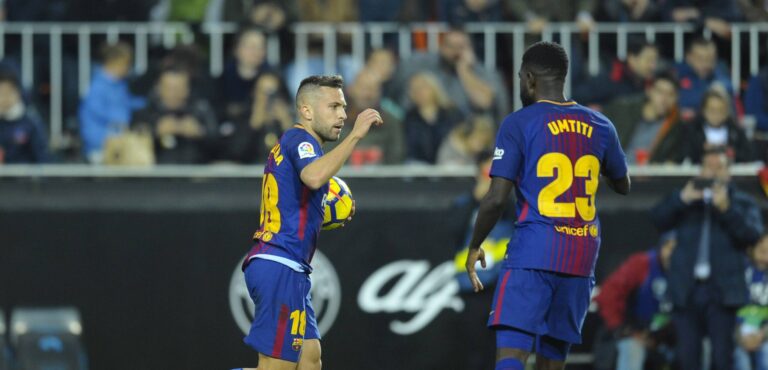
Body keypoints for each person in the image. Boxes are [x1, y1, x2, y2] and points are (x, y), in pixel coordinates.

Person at [464, 41, 631, 370]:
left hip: (534, 251)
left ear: (529, 78)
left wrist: (474, 245)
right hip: (581, 256)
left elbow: (496, 198)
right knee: (552, 363)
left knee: (512, 355)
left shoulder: (519, 123)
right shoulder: (601, 125)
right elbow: (623, 184)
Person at [239, 75, 382, 370]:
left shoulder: (301, 145)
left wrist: (321, 210)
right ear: (306, 110)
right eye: (333, 106)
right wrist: (355, 136)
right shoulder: (300, 139)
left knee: (309, 360)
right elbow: (314, 177)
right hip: (280, 262)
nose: (343, 115)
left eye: (344, 107)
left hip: (289, 266)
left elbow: (300, 192)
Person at [651, 147, 764, 370]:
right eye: (708, 167)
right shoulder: (686, 199)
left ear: (728, 172)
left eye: (718, 167)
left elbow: (753, 235)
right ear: (700, 170)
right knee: (686, 358)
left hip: (723, 291)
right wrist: (682, 199)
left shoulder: (742, 202)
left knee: (722, 358)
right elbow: (657, 219)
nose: (712, 173)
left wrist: (726, 208)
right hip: (686, 289)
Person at [593, 232, 677, 370]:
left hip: (668, 337)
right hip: (635, 331)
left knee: (695, 346)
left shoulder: (691, 273)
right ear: (661, 247)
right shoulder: (642, 264)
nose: (672, 254)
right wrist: (622, 329)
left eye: (678, 249)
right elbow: (608, 295)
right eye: (669, 248)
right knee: (632, 349)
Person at [131, 68, 217, 164]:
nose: (174, 93)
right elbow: (129, 149)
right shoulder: (143, 114)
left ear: (188, 89)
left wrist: (200, 134)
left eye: (179, 88)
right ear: (158, 89)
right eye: (169, 88)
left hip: (195, 171)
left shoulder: (201, 112)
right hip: (155, 171)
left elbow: (221, 148)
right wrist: (154, 133)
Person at [78, 42, 145, 163]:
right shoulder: (97, 87)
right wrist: (122, 120)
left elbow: (128, 103)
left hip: (118, 143)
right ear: (114, 63)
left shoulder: (119, 85)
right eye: (126, 64)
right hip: (100, 146)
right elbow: (96, 113)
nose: (128, 68)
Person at [601, 72, 685, 164]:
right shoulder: (622, 110)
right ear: (649, 91)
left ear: (676, 98)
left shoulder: (675, 127)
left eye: (670, 94)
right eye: (660, 92)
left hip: (647, 172)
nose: (664, 99)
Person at [403, 72, 464, 164]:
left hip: (450, 162)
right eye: (414, 89)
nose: (419, 92)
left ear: (434, 88)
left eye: (423, 87)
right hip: (418, 166)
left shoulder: (452, 114)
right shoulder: (409, 118)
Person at [684, 87, 752, 164]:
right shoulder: (693, 130)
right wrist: (703, 149)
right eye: (712, 110)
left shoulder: (735, 130)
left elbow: (748, 154)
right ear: (703, 110)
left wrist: (730, 152)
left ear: (727, 112)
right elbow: (686, 155)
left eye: (720, 110)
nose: (716, 115)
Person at [674, 37, 734, 119]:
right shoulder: (676, 76)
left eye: (710, 59)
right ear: (688, 57)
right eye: (700, 58)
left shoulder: (721, 80)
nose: (706, 63)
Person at [735, 234, 768, 370]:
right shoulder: (739, 271)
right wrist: (739, 336)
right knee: (741, 362)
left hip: (764, 334)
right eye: (762, 248)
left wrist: (763, 335)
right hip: (738, 333)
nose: (765, 254)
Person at [0, 72, 48, 163]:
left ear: (18, 93)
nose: (4, 98)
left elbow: (42, 156)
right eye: (1, 93)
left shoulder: (30, 122)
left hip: (25, 171)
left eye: (8, 93)